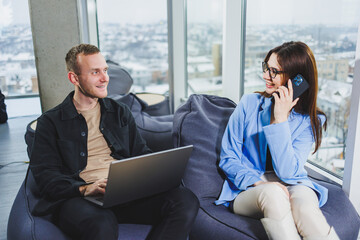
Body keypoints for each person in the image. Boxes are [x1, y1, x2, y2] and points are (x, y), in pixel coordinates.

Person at [29, 43, 199, 240]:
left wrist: (158, 170)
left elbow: (139, 152)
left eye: (105, 70)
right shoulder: (50, 122)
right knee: (102, 223)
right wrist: (85, 188)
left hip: (125, 192)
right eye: (95, 72)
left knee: (185, 200)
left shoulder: (119, 112)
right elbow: (46, 178)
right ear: (74, 78)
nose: (105, 78)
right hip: (80, 198)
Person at [215, 41, 339, 240]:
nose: (266, 76)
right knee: (273, 194)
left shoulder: (311, 121)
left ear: (296, 80)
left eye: (274, 71)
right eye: (266, 67)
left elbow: (289, 172)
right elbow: (228, 159)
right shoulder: (249, 104)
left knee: (307, 211)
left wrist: (280, 120)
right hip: (250, 188)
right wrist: (259, 183)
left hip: (293, 183)